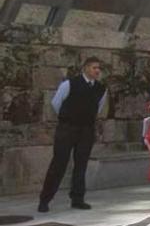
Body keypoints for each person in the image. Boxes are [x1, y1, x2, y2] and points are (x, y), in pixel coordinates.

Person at [38, 57, 107, 212]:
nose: (97, 71)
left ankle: (77, 198)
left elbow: (98, 107)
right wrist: (68, 118)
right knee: (59, 163)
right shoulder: (69, 84)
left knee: (81, 164)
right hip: (67, 129)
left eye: (99, 68)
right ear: (86, 68)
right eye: (94, 67)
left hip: (86, 130)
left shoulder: (101, 88)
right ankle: (45, 200)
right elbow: (56, 103)